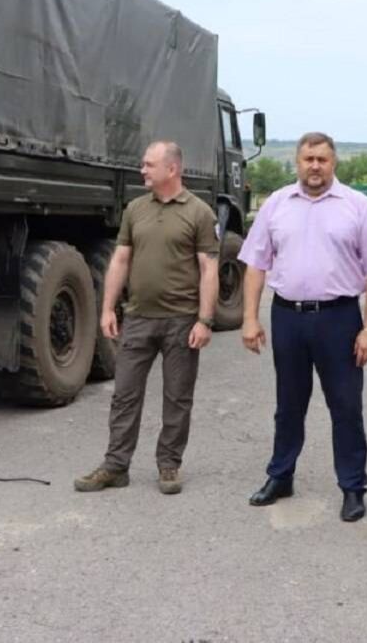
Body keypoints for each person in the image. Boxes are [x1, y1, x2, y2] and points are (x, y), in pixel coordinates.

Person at [238, 132, 367, 522]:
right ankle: (280, 475)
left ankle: (353, 487)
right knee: (288, 406)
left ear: (334, 162)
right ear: (298, 162)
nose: (315, 166)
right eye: (308, 159)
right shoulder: (276, 204)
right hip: (288, 317)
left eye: (322, 159)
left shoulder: (358, 207)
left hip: (339, 319)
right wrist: (250, 318)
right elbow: (256, 263)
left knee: (345, 406)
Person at [74, 141, 219, 495]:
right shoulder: (135, 209)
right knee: (124, 394)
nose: (142, 170)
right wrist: (108, 308)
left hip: (182, 321)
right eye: (143, 164)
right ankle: (115, 466)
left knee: (177, 396)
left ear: (172, 169)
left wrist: (205, 320)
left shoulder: (200, 213)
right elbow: (120, 260)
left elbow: (209, 269)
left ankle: (169, 465)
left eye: (149, 165)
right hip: (138, 318)